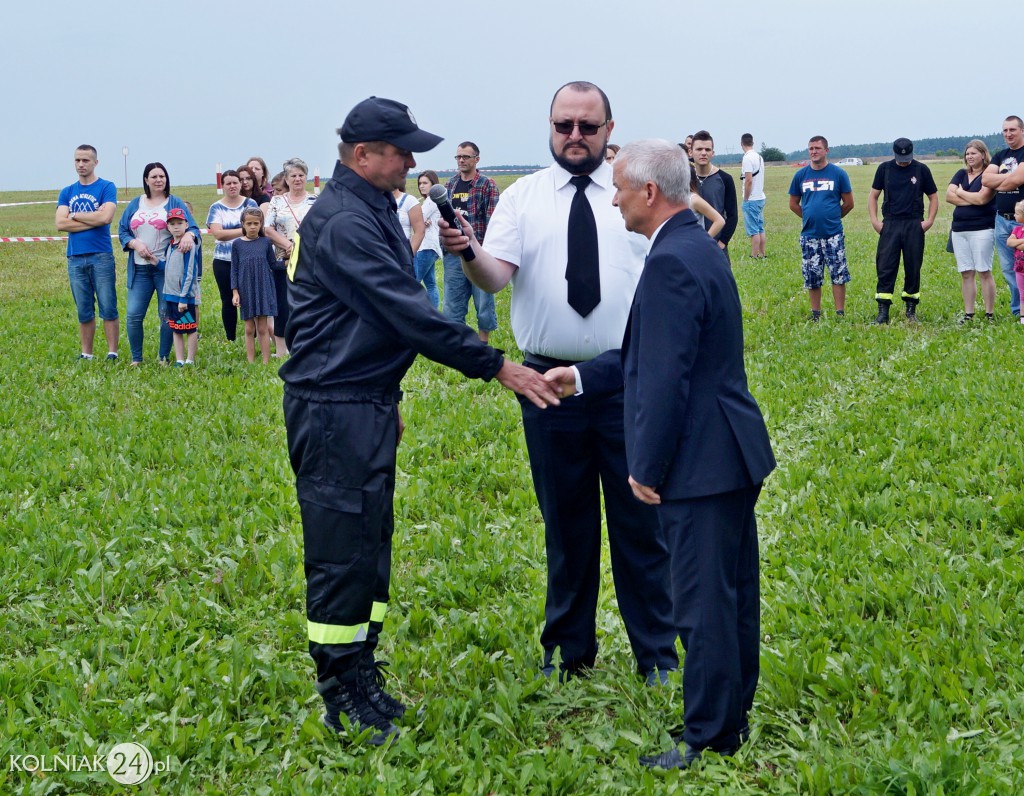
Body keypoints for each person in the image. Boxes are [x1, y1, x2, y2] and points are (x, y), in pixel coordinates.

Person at [279, 96, 560, 746]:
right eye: (401, 150)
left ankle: (363, 674)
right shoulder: (346, 221)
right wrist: (499, 367)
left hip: (365, 402)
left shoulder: (375, 206)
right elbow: (409, 312)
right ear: (361, 156)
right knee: (340, 555)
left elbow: (370, 324)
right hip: (331, 410)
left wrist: (389, 396)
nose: (412, 160)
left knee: (371, 549)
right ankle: (340, 693)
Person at [543, 139, 775, 771]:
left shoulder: (672, 260)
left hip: (701, 459)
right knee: (729, 594)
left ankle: (708, 735)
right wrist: (584, 376)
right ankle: (729, 716)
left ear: (649, 193)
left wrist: (645, 466)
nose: (612, 197)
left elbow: (668, 376)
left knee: (701, 604)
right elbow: (653, 351)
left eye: (619, 187)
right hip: (726, 449)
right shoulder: (693, 246)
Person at [440, 81, 679, 685]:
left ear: (608, 129)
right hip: (546, 383)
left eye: (587, 126)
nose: (574, 136)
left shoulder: (635, 193)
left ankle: (658, 655)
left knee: (640, 523)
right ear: (549, 127)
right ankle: (568, 654)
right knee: (566, 527)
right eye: (563, 125)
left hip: (626, 379)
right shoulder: (523, 198)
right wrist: (468, 251)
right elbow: (494, 278)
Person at [118, 162, 201, 364]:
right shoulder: (135, 204)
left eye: (162, 176)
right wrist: (134, 243)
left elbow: (194, 228)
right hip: (139, 268)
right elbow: (122, 231)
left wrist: (190, 235)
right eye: (154, 176)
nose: (158, 180)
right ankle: (136, 358)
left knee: (166, 315)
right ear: (146, 180)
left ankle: (163, 357)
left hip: (166, 271)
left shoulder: (174, 202)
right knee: (133, 315)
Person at [56, 145, 120, 361]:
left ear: (95, 162)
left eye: (85, 160)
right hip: (75, 257)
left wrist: (73, 215)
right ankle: (87, 353)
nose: (81, 165)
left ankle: (112, 352)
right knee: (84, 308)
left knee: (108, 305)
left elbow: (105, 218)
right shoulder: (67, 191)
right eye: (77, 160)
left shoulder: (106, 187)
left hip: (101, 255)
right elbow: (59, 223)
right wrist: (90, 217)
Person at [868, 138, 938, 324]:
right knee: (885, 267)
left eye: (907, 157)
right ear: (894, 152)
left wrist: (929, 221)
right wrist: (875, 221)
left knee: (913, 267)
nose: (904, 160)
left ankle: (911, 310)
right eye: (900, 157)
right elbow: (873, 196)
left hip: (913, 224)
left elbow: (933, 197)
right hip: (890, 224)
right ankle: (883, 312)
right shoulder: (884, 169)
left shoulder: (921, 170)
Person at [787, 136, 855, 321]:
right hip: (809, 235)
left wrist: (833, 217)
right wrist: (807, 217)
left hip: (833, 234)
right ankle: (815, 313)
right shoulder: (801, 175)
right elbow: (793, 203)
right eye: (811, 148)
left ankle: (840, 312)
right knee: (812, 276)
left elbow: (849, 203)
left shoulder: (838, 174)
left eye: (817, 148)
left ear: (826, 150)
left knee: (838, 274)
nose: (813, 152)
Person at [442, 141, 500, 343]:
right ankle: (459, 345)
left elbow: (492, 219)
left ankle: (483, 343)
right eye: (458, 157)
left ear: (477, 159)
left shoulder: (486, 184)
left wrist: (488, 250)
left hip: (478, 251)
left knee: (483, 300)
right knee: (452, 303)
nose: (461, 160)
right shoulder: (450, 185)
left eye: (465, 157)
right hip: (454, 253)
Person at [264, 158, 315, 356]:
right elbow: (268, 229)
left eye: (301, 175)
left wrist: (301, 248)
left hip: (309, 261)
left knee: (307, 304)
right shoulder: (276, 201)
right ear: (286, 178)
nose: (297, 179)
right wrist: (288, 245)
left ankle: (305, 344)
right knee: (283, 304)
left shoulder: (315, 201)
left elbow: (322, 228)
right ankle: (281, 349)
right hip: (282, 260)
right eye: (293, 175)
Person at [946, 140, 996, 323]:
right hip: (959, 230)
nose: (969, 157)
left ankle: (989, 314)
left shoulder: (989, 174)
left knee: (984, 271)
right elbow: (948, 196)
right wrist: (972, 198)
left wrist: (961, 193)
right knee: (966, 272)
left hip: (982, 229)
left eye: (973, 153)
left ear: (983, 154)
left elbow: (984, 199)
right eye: (967, 154)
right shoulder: (960, 174)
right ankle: (969, 313)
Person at [207, 170, 259, 342]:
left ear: (240, 184)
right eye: (228, 183)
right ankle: (231, 339)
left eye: (235, 182)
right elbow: (218, 234)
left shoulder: (250, 204)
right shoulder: (216, 207)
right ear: (223, 185)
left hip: (248, 259)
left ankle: (255, 335)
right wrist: (245, 230)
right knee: (227, 300)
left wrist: (231, 232)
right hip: (223, 261)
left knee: (250, 298)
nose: (232, 186)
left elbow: (257, 229)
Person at [982, 116, 1024, 317]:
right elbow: (985, 179)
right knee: (1009, 269)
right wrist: (1011, 178)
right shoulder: (1000, 155)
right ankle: (1018, 310)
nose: (1008, 134)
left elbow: (1015, 181)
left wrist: (1007, 180)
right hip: (1002, 220)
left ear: (1022, 131)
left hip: (1021, 221)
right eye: (1005, 130)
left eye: (1012, 130)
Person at [231, 207, 278, 362]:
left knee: (263, 328)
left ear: (261, 224)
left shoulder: (265, 242)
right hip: (246, 289)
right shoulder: (237, 244)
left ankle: (265, 361)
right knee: (249, 328)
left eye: (256, 223)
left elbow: (273, 264)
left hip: (263, 287)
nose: (252, 227)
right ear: (243, 224)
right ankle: (250, 360)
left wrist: (289, 262)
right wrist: (235, 292)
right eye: (249, 223)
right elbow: (234, 269)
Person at [160, 207, 201, 366]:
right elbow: (168, 268)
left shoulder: (187, 246)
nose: (176, 226)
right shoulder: (169, 246)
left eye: (179, 223)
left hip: (184, 298)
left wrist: (183, 298)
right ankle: (179, 359)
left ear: (186, 224)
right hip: (170, 296)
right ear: (168, 227)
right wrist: (155, 262)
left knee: (190, 328)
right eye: (172, 224)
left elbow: (189, 273)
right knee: (176, 329)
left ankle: (190, 359)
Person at [690, 130, 737, 260]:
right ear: (691, 152)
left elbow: (732, 215)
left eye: (707, 149)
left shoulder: (725, 179)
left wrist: (722, 242)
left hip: (716, 245)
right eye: (699, 149)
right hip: (691, 246)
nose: (703, 153)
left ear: (713, 153)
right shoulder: (684, 179)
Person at [415, 170, 442, 308]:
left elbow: (417, 219)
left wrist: (419, 221)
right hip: (431, 246)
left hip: (427, 246)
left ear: (433, 184)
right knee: (430, 283)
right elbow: (420, 220)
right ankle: (434, 314)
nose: (421, 186)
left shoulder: (431, 200)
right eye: (420, 183)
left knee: (412, 282)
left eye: (425, 183)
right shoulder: (428, 200)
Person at [740, 133, 766, 259]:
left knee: (753, 230)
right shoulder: (759, 157)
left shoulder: (747, 158)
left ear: (742, 144)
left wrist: (746, 198)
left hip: (752, 199)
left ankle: (754, 255)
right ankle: (762, 253)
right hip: (760, 196)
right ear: (752, 143)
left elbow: (748, 180)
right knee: (760, 227)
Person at [1005, 200, 1024, 325]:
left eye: (1017, 213)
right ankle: (1023, 317)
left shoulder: (1017, 233)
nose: (1014, 216)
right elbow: (1009, 242)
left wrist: (1018, 243)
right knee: (1022, 292)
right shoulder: (1016, 229)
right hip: (1020, 268)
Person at [393, 187, 424, 254]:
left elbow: (419, 231)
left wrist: (409, 255)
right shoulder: (374, 200)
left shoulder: (409, 200)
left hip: (401, 253)